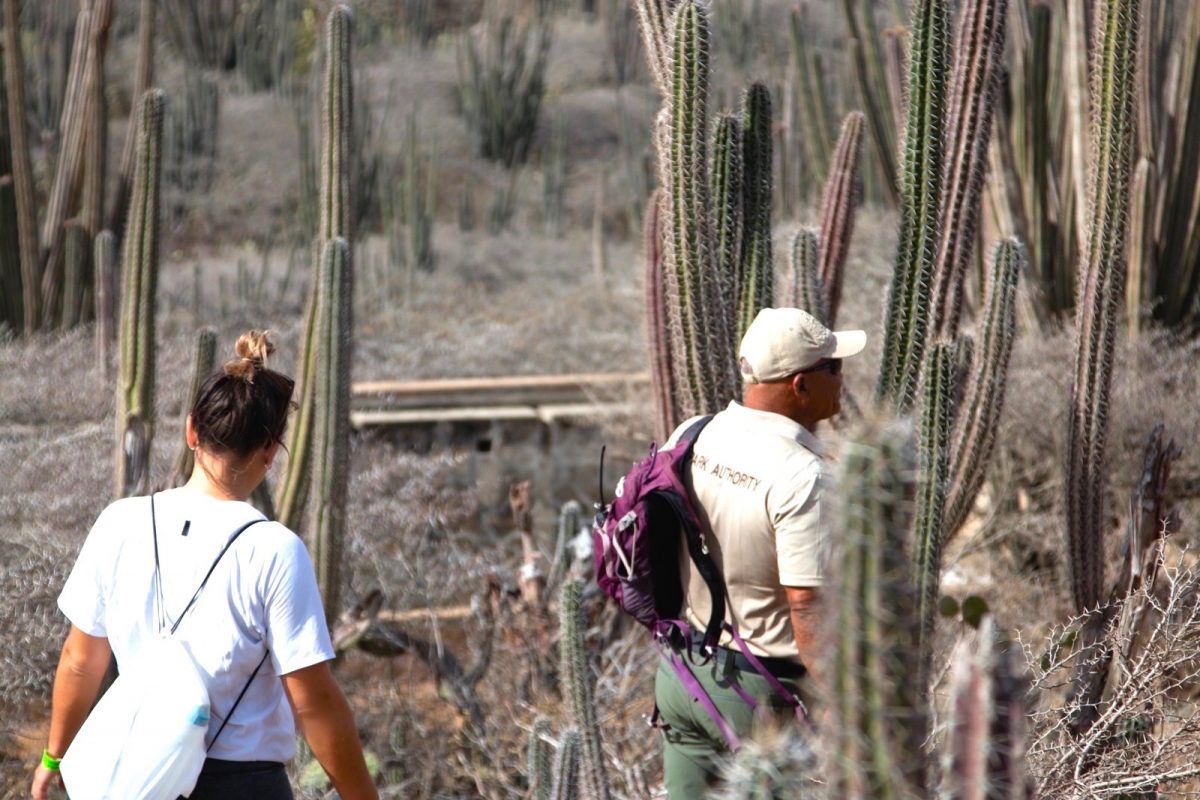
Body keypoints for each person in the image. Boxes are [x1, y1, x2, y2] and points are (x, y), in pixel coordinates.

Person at [31, 331, 378, 800]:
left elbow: (80, 659)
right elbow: (313, 701)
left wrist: (55, 756)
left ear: (191, 431)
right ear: (271, 452)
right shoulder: (274, 550)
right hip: (242, 784)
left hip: (135, 778)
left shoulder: (120, 523)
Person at [655, 307, 866, 797]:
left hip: (682, 674)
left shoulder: (693, 434)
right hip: (756, 697)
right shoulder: (802, 477)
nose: (841, 377)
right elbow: (806, 604)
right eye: (832, 368)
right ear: (800, 385)